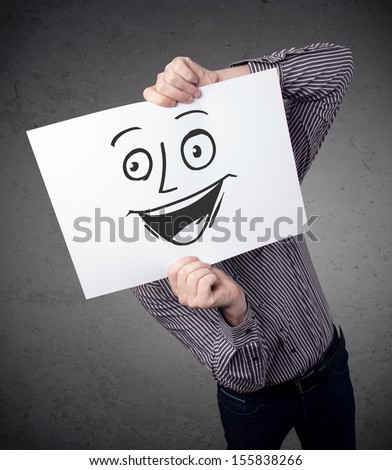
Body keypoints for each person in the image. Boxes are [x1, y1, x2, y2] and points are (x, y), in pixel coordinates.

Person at [131, 43, 355, 450]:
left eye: (192, 152)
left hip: (331, 370)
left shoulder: (266, 174)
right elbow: (245, 379)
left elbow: (333, 68)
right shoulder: (146, 269)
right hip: (255, 407)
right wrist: (235, 309)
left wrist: (221, 81)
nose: (172, 184)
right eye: (142, 168)